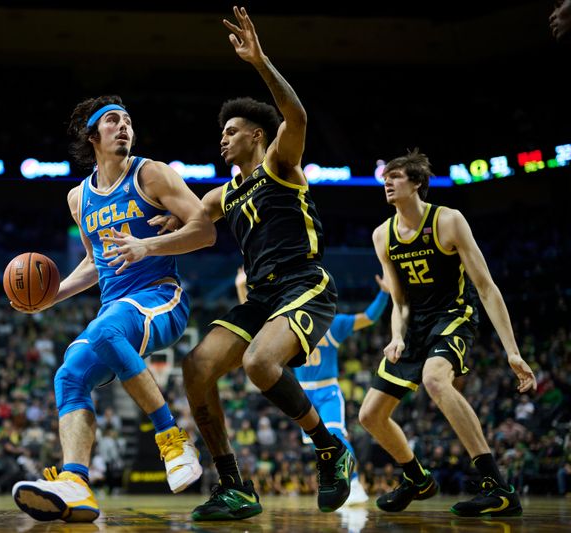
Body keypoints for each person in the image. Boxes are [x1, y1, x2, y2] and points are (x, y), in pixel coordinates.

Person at [178, 6, 354, 521]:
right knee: (197, 367)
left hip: (306, 285)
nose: (223, 138)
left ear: (256, 135)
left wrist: (259, 60)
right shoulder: (223, 194)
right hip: (261, 298)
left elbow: (296, 117)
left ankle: (329, 447)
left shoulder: (280, 163)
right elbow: (191, 217)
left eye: (231, 130)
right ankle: (234, 485)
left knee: (258, 363)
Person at [10, 94, 217, 523]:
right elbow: (94, 263)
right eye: (112, 121)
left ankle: (173, 439)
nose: (124, 126)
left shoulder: (152, 174)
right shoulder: (78, 198)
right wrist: (51, 296)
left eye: (127, 121)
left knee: (105, 330)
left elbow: (204, 230)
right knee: (68, 374)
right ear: (93, 135)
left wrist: (149, 245)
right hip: (115, 308)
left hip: (161, 297)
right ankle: (76, 483)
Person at [357, 149, 536, 517]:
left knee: (435, 380)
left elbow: (486, 287)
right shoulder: (382, 235)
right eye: (385, 177)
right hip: (414, 322)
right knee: (370, 416)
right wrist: (396, 336)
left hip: (453, 312)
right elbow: (399, 299)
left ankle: (496, 486)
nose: (387, 182)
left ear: (418, 183)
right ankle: (417, 478)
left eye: (397, 176)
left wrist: (512, 351)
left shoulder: (449, 220)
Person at [237, 268, 390, 506]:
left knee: (336, 435)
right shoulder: (290, 322)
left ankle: (355, 482)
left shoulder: (335, 323)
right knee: (320, 444)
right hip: (303, 391)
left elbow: (369, 317)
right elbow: (259, 333)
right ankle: (340, 483)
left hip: (328, 391)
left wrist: (384, 293)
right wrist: (240, 288)